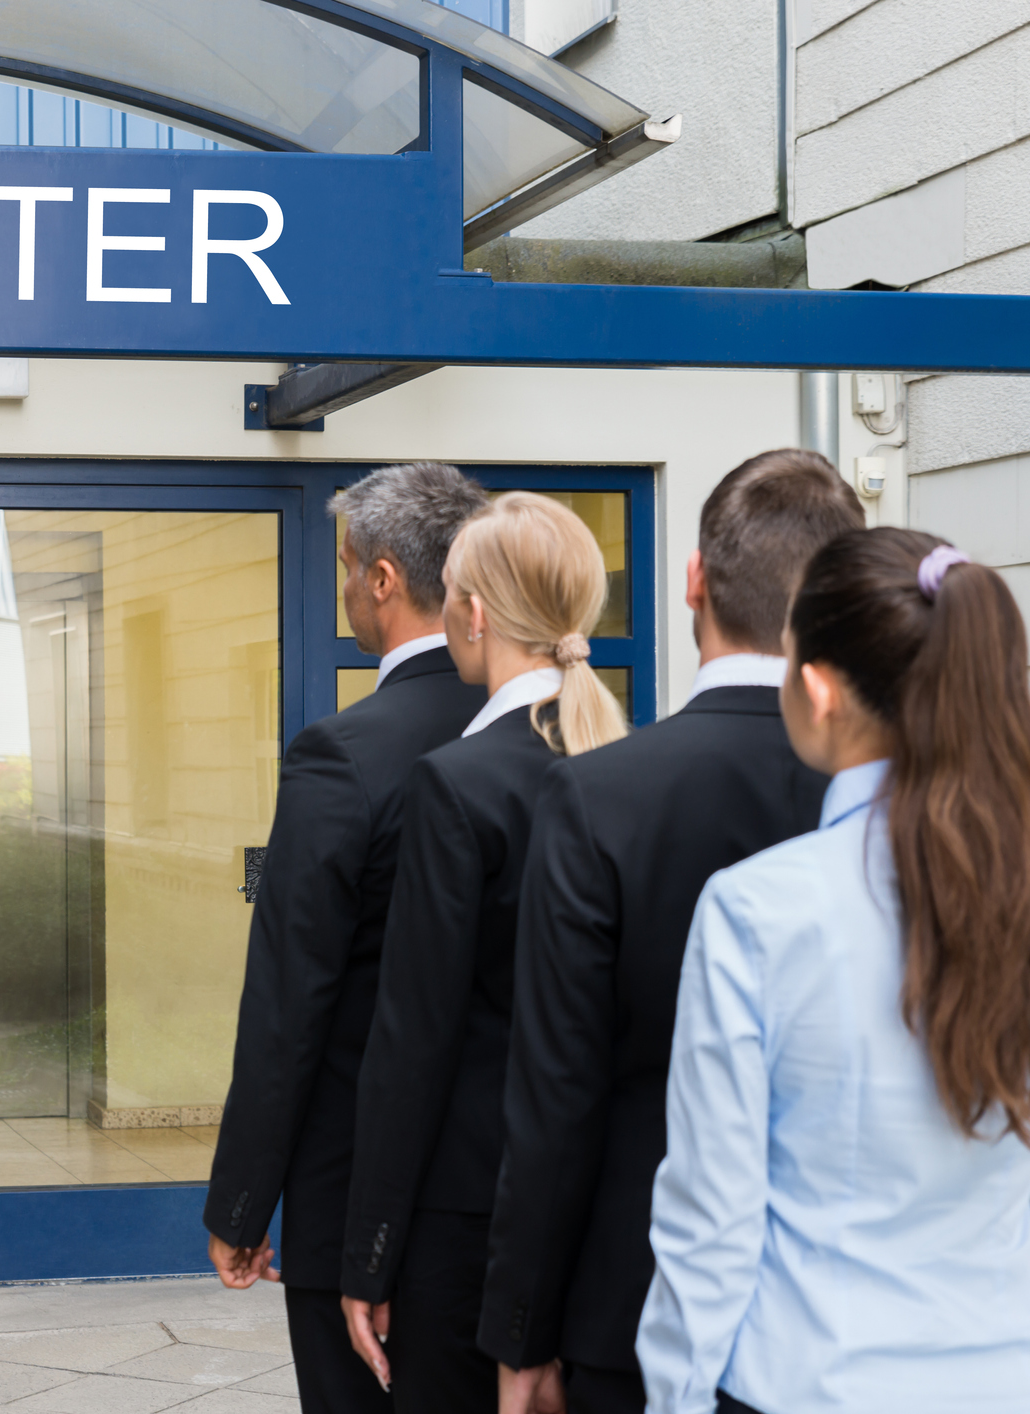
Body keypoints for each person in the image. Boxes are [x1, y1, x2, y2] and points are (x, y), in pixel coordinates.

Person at [638, 528, 1030, 1414]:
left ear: (822, 689)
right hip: (1021, 1382)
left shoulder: (753, 910)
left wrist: (673, 1398)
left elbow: (709, 1228)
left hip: (807, 1383)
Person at [481, 449, 866, 1414]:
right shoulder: (923, 801)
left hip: (637, 1298)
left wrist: (522, 1331)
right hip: (868, 1316)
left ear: (693, 581)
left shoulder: (597, 795)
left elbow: (554, 1092)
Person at [205, 461, 490, 1414]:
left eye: (342, 567)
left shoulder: (343, 753)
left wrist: (243, 1205)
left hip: (357, 1187)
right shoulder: (558, 736)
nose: (340, 588)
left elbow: (290, 998)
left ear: (382, 580)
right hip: (513, 1189)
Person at [338, 494, 629, 1408]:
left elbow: (411, 1041)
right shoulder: (624, 766)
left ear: (470, 613)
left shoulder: (456, 785)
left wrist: (367, 1255)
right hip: (600, 1213)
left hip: (467, 1224)